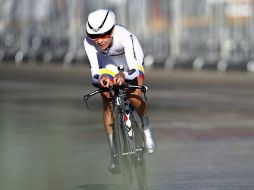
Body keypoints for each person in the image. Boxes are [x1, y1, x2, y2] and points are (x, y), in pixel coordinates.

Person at [84, 9, 156, 173]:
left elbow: (133, 70)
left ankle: (146, 128)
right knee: (107, 98)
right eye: (95, 36)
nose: (99, 40)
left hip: (130, 61)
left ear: (112, 30)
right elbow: (95, 72)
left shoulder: (124, 35)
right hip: (107, 64)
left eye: (104, 34)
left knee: (133, 97)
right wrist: (101, 79)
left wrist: (123, 74)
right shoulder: (88, 42)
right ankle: (114, 153)